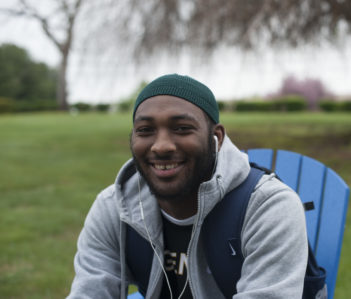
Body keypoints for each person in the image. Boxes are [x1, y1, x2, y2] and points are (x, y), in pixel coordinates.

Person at [67, 74, 308, 299]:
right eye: (145, 130)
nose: (161, 146)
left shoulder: (268, 207)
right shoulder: (116, 208)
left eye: (182, 128)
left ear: (217, 137)